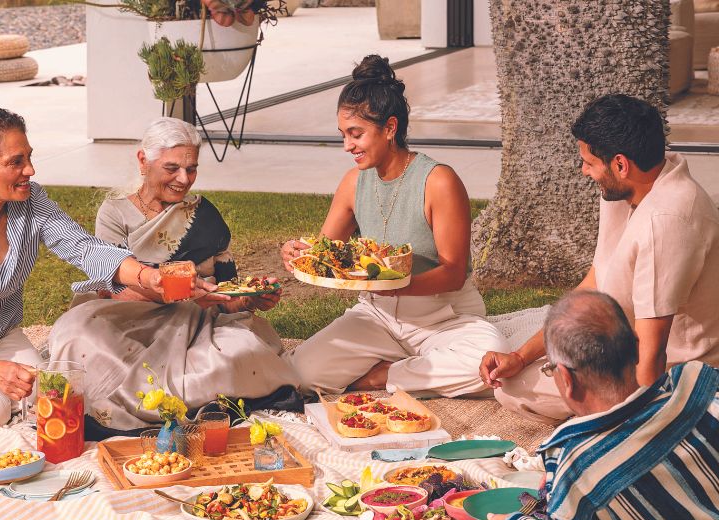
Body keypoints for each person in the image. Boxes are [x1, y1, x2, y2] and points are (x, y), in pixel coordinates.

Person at [0, 107, 211, 435]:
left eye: (29, 157)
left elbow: (84, 247)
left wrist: (149, 277)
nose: (30, 170)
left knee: (53, 397)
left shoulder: (30, 201)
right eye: (16, 162)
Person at [479, 94, 719, 424]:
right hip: (617, 342)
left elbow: (652, 353)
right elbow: (594, 284)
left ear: (620, 165)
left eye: (590, 163)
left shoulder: (664, 222)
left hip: (676, 371)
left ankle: (615, 421)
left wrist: (641, 441)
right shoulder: (632, 184)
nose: (584, 171)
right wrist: (520, 356)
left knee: (514, 390)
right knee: (516, 376)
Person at [48, 117, 300, 431]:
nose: (184, 178)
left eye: (191, 168)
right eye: (171, 168)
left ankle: (171, 399)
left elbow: (224, 295)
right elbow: (114, 286)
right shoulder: (115, 213)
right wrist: (178, 289)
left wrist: (250, 299)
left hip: (193, 320)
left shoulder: (204, 215)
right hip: (128, 315)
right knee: (78, 336)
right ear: (143, 160)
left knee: (243, 352)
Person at [280, 55, 508, 396]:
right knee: (300, 374)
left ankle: (379, 378)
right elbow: (324, 254)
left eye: (356, 134)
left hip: (444, 319)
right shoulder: (353, 183)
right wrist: (298, 254)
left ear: (389, 128)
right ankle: (414, 371)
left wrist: (394, 285)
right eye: (343, 135)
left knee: (490, 364)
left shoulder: (438, 181)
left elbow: (454, 272)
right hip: (378, 318)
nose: (347, 146)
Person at [484, 290, 719, 520]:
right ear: (635, 347)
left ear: (567, 379)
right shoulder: (704, 387)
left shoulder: (577, 477)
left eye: (550, 368)